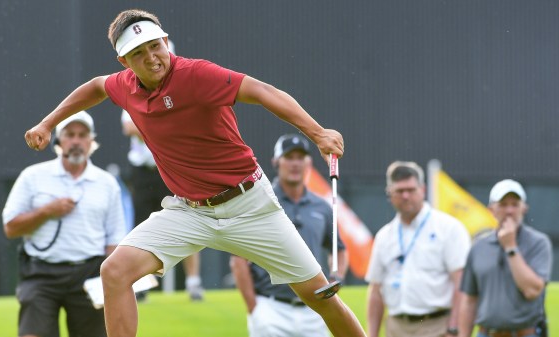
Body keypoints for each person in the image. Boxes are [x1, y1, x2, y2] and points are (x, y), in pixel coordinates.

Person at [23, 9, 366, 337]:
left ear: (166, 41)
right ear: (124, 62)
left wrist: (317, 132)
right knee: (114, 271)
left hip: (251, 205)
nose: (152, 57)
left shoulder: (196, 74)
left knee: (320, 295)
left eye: (156, 46)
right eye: (139, 53)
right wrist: (48, 122)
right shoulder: (124, 85)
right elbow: (96, 87)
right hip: (189, 211)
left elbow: (263, 92)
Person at [3, 111, 126, 337]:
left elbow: (114, 241)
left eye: (82, 135)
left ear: (91, 141)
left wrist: (112, 283)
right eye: (70, 134)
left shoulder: (107, 183)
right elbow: (10, 227)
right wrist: (46, 212)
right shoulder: (32, 176)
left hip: (90, 272)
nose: (76, 141)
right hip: (41, 272)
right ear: (59, 141)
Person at [230, 133, 348, 337]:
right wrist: (254, 308)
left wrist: (336, 277)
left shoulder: (322, 207)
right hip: (270, 307)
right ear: (276, 162)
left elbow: (339, 250)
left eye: (300, 158)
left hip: (315, 310)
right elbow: (238, 260)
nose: (295, 164)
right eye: (289, 157)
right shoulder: (260, 202)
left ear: (308, 162)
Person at [365, 161, 471, 337]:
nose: (405, 196)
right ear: (389, 193)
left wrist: (454, 329)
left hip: (437, 326)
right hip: (396, 327)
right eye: (399, 191)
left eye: (411, 190)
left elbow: (461, 283)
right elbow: (375, 290)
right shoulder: (384, 236)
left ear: (423, 190)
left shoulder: (449, 228)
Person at [122, 108, 204, 301]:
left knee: (186, 221)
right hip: (141, 171)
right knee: (141, 229)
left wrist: (150, 127)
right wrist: (161, 126)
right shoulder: (132, 94)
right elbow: (130, 128)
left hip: (169, 167)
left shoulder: (172, 97)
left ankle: (193, 283)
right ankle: (142, 285)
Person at [458, 179, 553, 337]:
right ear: (491, 210)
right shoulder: (478, 247)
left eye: (515, 204)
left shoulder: (538, 243)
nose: (509, 210)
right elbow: (469, 300)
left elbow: (532, 290)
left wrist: (510, 247)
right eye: (503, 204)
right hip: (487, 333)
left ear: (524, 208)